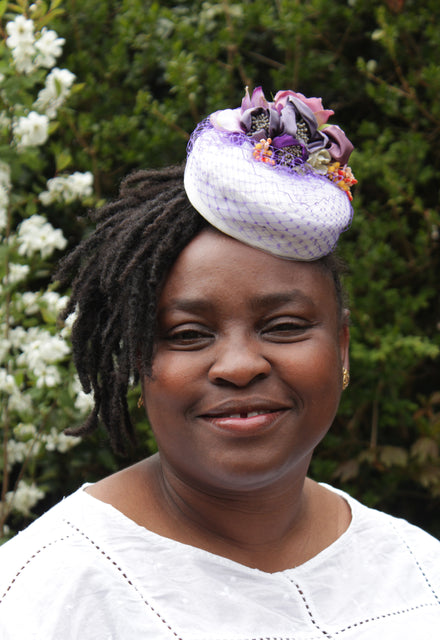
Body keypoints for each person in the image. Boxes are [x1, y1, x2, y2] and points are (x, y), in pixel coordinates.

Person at [0, 87, 439, 639]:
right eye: (188, 334)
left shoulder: (418, 571)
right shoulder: (52, 591)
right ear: (138, 356)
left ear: (342, 347)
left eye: (283, 327)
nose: (238, 365)